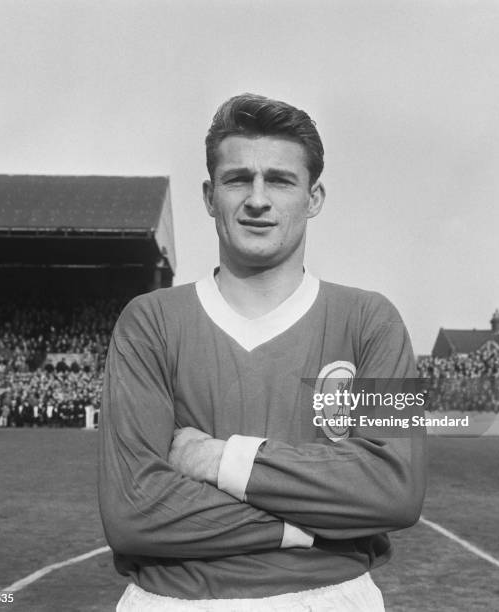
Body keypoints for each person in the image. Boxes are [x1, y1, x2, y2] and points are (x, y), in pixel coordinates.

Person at [98, 93, 426, 611]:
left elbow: (396, 489)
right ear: (210, 196)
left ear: (314, 197)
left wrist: (217, 459)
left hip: (331, 599)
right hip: (173, 601)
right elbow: (133, 514)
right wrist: (314, 521)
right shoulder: (148, 322)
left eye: (279, 179)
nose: (257, 198)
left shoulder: (372, 321)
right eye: (237, 179)